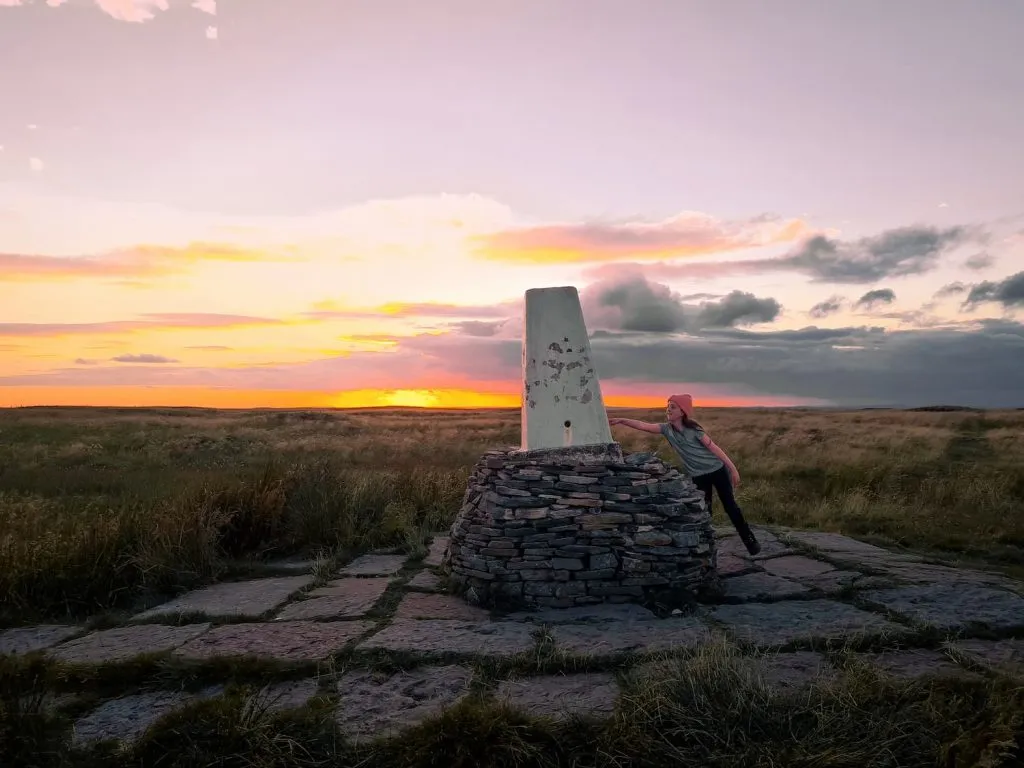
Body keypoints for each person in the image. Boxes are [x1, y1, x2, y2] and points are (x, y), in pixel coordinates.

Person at [609, 393, 761, 555]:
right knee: (704, 509)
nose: (668, 410)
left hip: (717, 470)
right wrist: (622, 420)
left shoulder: (694, 431)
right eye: (667, 406)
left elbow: (715, 449)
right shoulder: (666, 430)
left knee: (730, 506)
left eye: (672, 407)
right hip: (698, 475)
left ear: (683, 411)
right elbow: (643, 425)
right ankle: (707, 546)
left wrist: (733, 469)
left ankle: (749, 541)